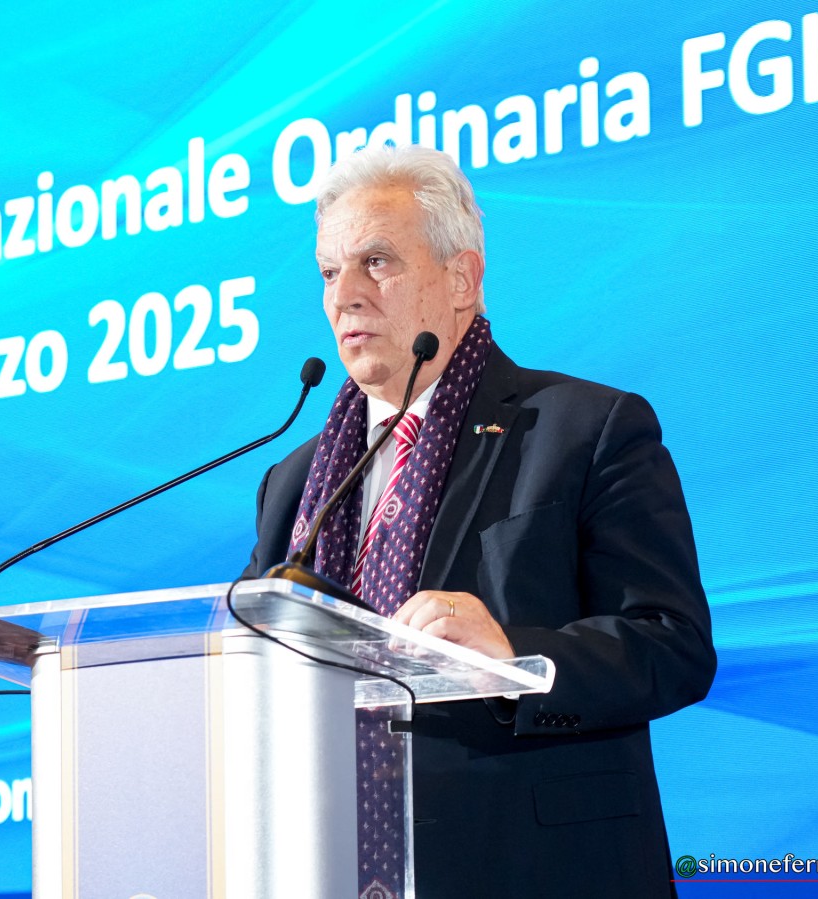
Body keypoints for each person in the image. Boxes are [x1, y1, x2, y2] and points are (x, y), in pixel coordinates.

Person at [243, 144, 716, 899]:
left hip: (535, 871)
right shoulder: (295, 482)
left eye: (375, 262)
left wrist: (513, 658)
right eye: (329, 272)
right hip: (329, 864)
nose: (345, 296)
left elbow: (673, 644)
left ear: (461, 278)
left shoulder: (584, 430)